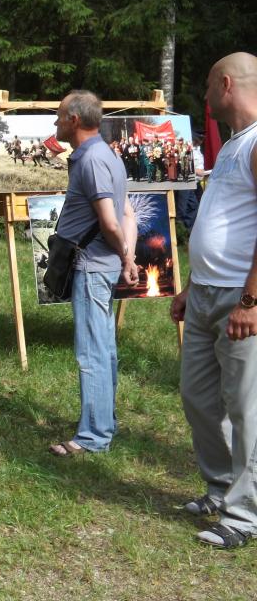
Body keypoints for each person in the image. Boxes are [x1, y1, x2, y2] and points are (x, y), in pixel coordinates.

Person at [170, 51, 257, 550]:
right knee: (198, 397)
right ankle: (221, 489)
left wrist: (250, 299)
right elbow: (220, 222)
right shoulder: (228, 149)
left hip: (240, 299)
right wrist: (189, 287)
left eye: (206, 87)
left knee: (246, 408)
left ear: (226, 85)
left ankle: (245, 517)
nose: (203, 97)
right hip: (204, 295)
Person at [47, 91, 138, 457]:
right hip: (100, 264)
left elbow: (111, 220)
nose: (55, 123)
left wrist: (126, 258)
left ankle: (93, 436)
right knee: (104, 349)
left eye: (58, 117)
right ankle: (104, 424)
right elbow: (127, 213)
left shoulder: (93, 161)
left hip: (91, 266)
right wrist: (127, 257)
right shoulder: (104, 155)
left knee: (92, 352)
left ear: (73, 119)